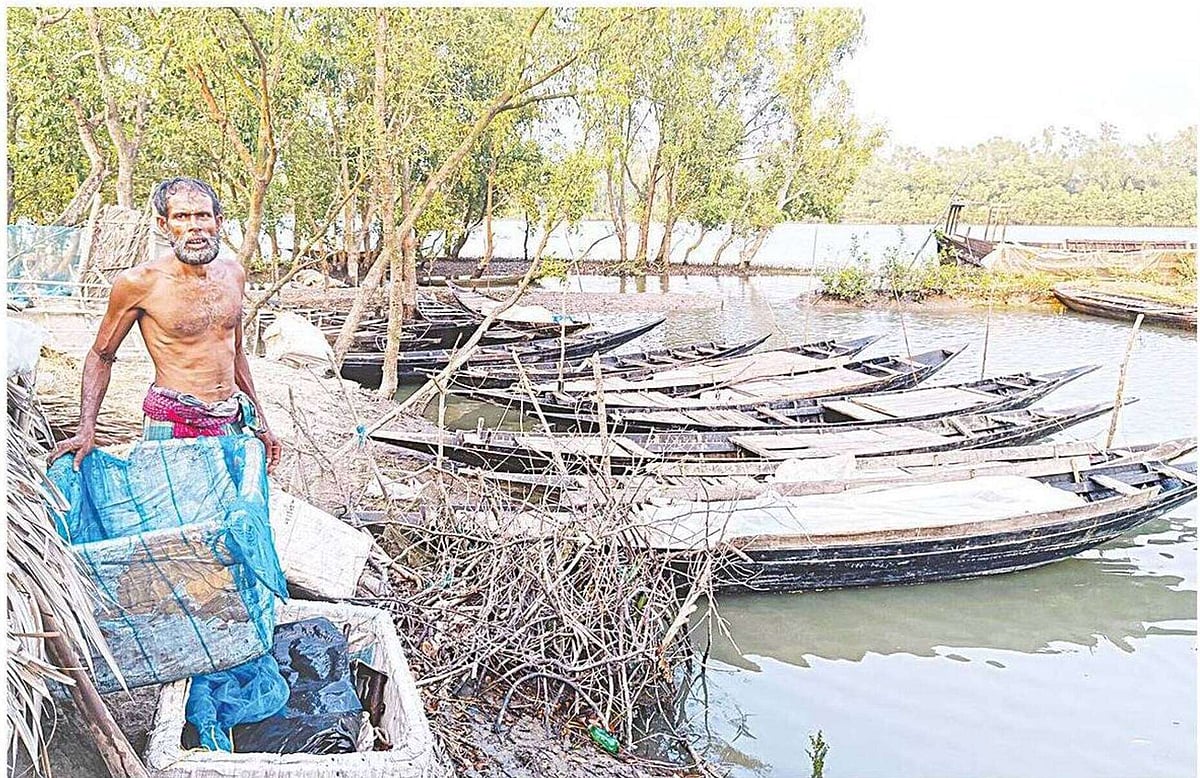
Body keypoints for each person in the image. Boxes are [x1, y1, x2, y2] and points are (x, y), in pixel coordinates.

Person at [51, 177, 282, 471]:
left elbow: (235, 352)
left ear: (218, 221)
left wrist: (260, 422)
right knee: (169, 514)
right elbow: (101, 355)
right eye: (182, 217)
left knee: (229, 512)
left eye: (202, 215)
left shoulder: (233, 273)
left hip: (229, 419)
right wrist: (86, 430)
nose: (194, 226)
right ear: (164, 225)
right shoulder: (139, 283)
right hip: (171, 421)